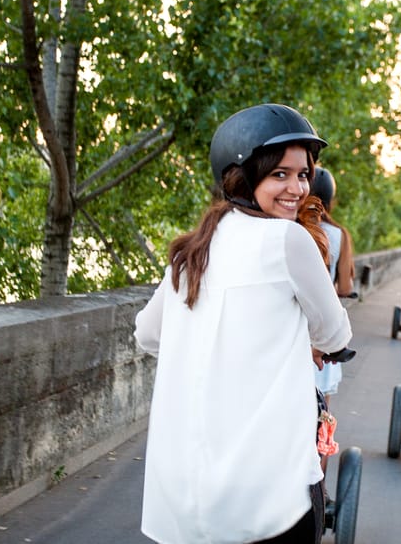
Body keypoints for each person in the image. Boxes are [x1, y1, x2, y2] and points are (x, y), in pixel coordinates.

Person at [133, 103, 352, 544]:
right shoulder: (288, 239)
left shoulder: (191, 250)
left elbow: (148, 334)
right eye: (280, 175)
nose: (297, 188)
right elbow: (334, 333)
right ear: (243, 177)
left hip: (184, 492)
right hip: (266, 489)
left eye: (303, 174)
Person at [306, 166, 355, 478]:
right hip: (323, 335)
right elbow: (345, 288)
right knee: (322, 415)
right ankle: (318, 489)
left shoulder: (286, 229)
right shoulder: (337, 235)